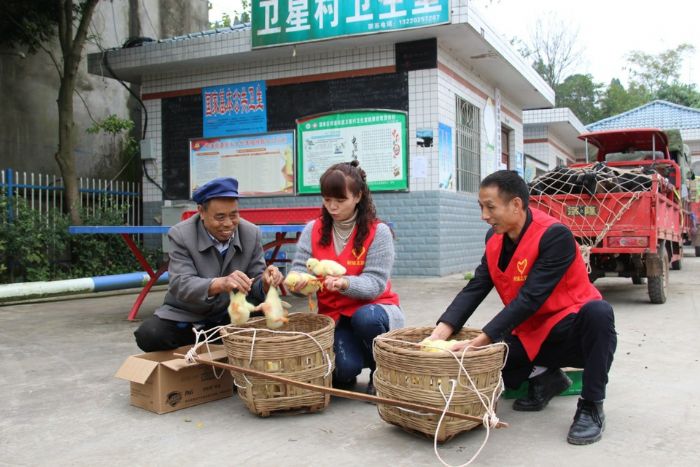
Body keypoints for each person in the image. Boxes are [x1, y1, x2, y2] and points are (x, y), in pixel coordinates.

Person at [429, 170, 617, 445]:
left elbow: (530, 298)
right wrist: (441, 332)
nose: (484, 215)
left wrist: (480, 340)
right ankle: (546, 377)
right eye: (481, 207)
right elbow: (476, 286)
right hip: (529, 331)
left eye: (490, 207)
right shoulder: (493, 240)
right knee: (490, 365)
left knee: (600, 314)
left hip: (569, 328)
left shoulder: (555, 236)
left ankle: (591, 406)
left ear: (516, 204)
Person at [287, 161, 404, 395]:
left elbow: (375, 283)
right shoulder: (313, 229)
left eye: (340, 201)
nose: (332, 207)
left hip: (374, 309)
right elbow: (299, 269)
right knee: (343, 372)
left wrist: (345, 283)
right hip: (335, 316)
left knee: (366, 319)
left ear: (358, 196)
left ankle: (382, 370)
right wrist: (298, 284)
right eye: (327, 199)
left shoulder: (377, 232)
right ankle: (354, 359)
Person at [134, 177, 284, 352]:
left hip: (232, 313)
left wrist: (265, 283)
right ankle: (207, 342)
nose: (228, 224)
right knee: (150, 334)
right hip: (188, 315)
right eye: (220, 217)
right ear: (201, 212)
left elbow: (256, 282)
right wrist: (220, 283)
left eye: (233, 215)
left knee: (271, 318)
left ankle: (217, 344)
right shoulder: (181, 234)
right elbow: (180, 284)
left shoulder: (251, 233)